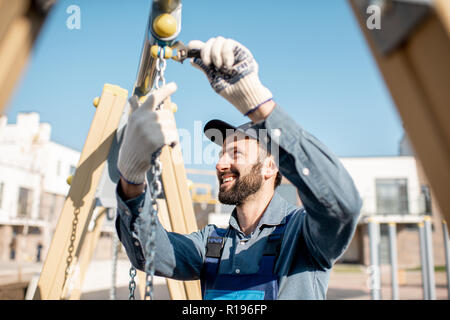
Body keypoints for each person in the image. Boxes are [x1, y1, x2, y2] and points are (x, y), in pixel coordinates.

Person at [115, 37, 362, 299]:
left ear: (270, 166)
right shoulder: (212, 242)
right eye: (221, 153)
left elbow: (342, 206)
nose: (221, 164)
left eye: (235, 153)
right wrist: (131, 181)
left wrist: (258, 105)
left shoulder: (302, 235)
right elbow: (151, 254)